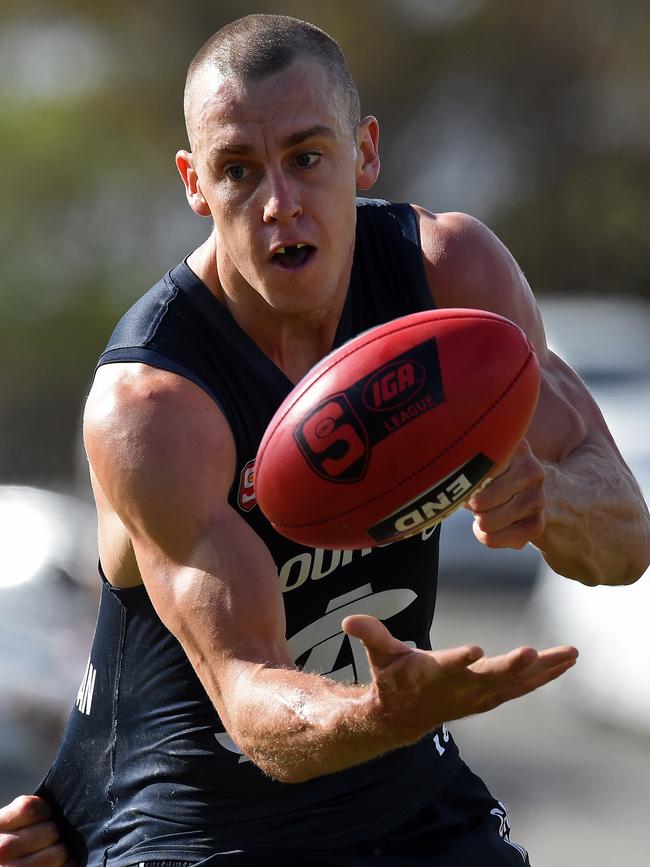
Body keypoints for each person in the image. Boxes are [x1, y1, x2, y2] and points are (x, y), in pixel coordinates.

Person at [2, 13, 648, 867]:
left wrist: (548, 496)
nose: (279, 203)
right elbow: (247, 695)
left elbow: (627, 542)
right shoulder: (154, 403)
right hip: (187, 811)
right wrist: (381, 712)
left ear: (365, 152)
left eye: (307, 156)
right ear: (195, 184)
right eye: (238, 170)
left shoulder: (451, 280)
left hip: (396, 776)